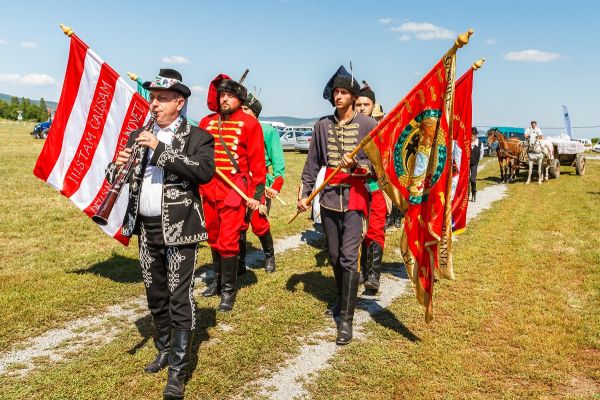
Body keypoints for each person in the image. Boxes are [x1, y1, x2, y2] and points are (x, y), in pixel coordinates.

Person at [106, 68, 215, 399]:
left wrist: (160, 149)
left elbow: (204, 172)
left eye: (162, 99)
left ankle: (178, 371)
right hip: (146, 227)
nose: (154, 104)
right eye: (153, 98)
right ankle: (164, 347)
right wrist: (118, 163)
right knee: (155, 294)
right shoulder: (139, 133)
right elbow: (117, 179)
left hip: (181, 228)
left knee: (179, 296)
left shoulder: (197, 137)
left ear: (179, 103)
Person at [298, 65, 376, 345]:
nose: (339, 96)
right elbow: (312, 163)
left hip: (355, 198)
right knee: (333, 256)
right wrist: (304, 193)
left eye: (344, 92)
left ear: (353, 96)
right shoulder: (322, 125)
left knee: (347, 257)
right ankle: (343, 297)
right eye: (336, 92)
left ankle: (346, 318)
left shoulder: (368, 126)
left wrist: (358, 163)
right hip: (329, 197)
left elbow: (377, 166)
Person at [198, 74, 266, 312]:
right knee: (213, 237)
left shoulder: (250, 124)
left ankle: (228, 291)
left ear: (240, 99)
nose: (225, 99)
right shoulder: (206, 123)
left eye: (231, 96)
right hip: (209, 188)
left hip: (236, 189)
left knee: (228, 240)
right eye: (222, 95)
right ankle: (216, 282)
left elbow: (258, 164)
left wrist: (256, 197)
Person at [238, 93, 285, 274]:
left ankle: (269, 255)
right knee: (239, 223)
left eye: (245, 109)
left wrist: (275, 185)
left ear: (254, 113)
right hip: (239, 181)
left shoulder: (267, 131)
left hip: (259, 182)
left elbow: (278, 162)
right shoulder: (236, 129)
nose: (241, 112)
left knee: (258, 223)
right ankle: (240, 262)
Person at [355, 85, 385, 293]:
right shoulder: (347, 127)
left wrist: (369, 165)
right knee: (357, 233)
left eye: (366, 104)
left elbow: (385, 158)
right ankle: (361, 272)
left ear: (373, 106)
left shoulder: (380, 129)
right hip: (354, 188)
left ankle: (373, 275)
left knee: (375, 229)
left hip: (375, 186)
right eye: (358, 104)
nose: (362, 108)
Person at [469, 127, 482, 202]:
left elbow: (481, 153)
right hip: (467, 163)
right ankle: (466, 194)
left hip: (474, 163)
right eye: (471, 134)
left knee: (472, 179)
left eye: (473, 134)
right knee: (466, 180)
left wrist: (476, 161)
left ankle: (474, 192)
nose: (472, 136)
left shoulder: (479, 143)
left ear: (476, 135)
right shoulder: (467, 142)